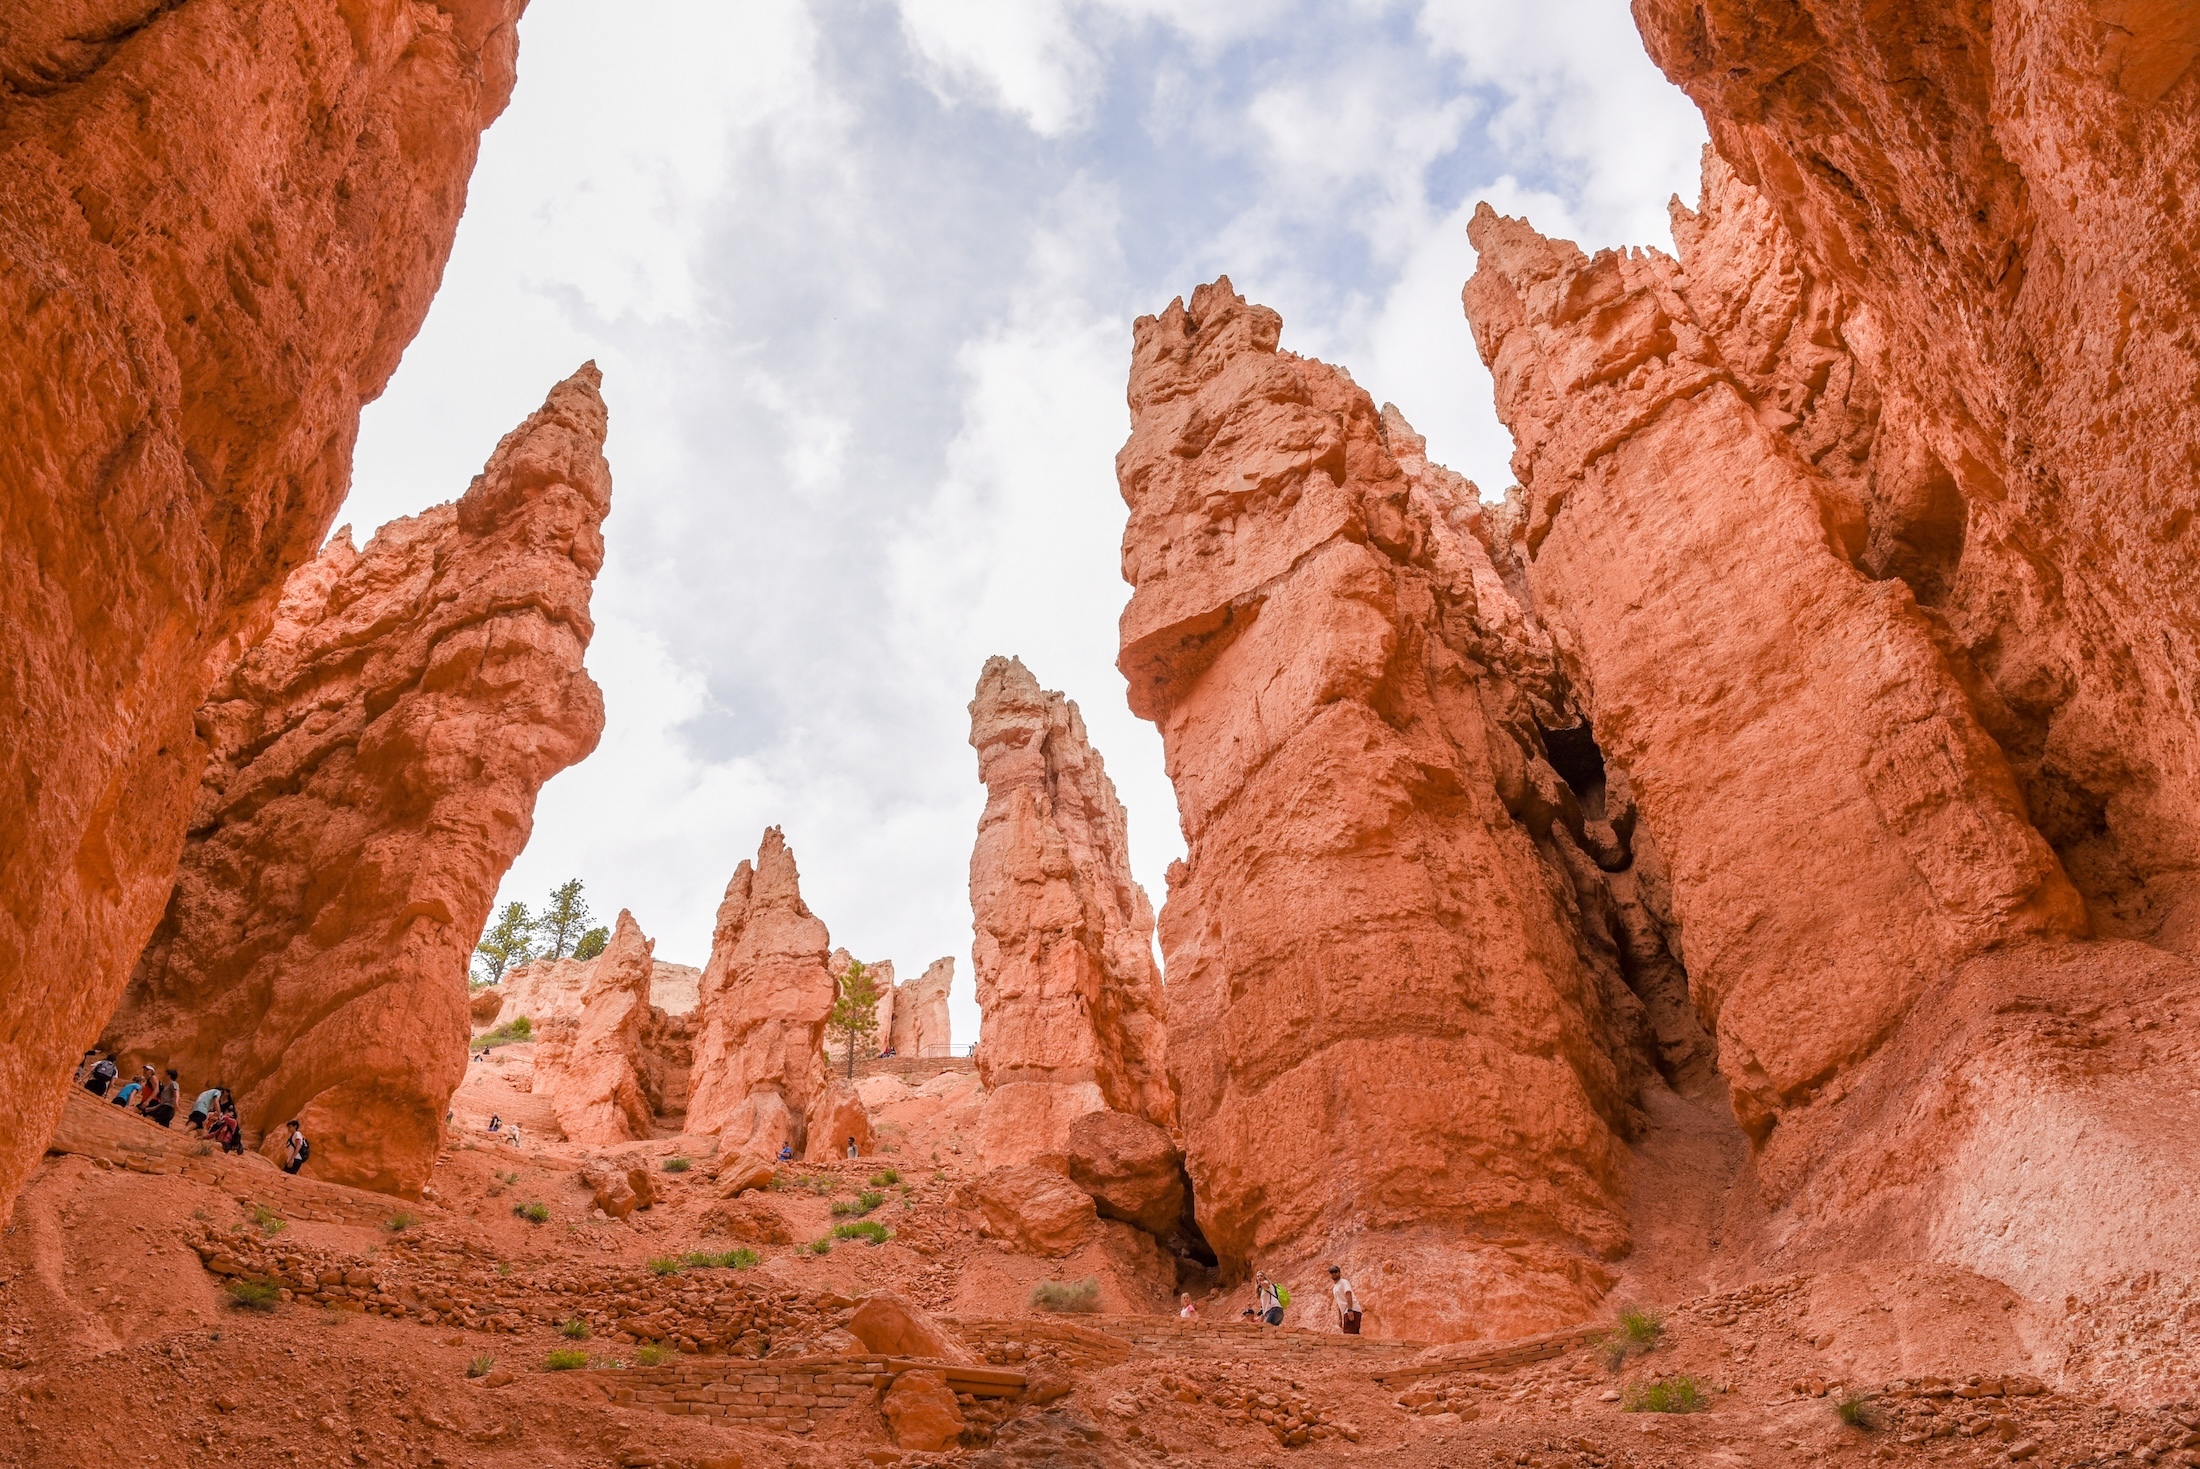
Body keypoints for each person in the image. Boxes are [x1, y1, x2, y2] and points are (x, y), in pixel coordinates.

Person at [1328, 1265, 1362, 1335]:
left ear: (1339, 1272)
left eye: (1335, 1271)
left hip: (1352, 1310)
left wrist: (1350, 1310)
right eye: (1332, 1272)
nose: (1334, 1273)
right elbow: (1339, 1304)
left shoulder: (1344, 1282)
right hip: (1346, 1312)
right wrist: (1341, 1319)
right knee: (1352, 1336)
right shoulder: (1334, 1288)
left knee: (1349, 1336)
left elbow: (1348, 1294)